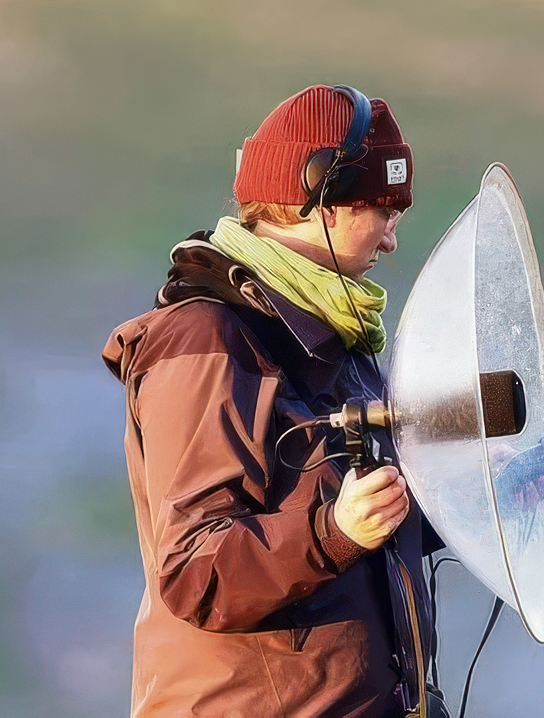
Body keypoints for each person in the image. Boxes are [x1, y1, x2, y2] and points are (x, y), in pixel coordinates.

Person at [102, 85, 443, 717]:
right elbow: (196, 570)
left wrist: (481, 488)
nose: (392, 241)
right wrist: (335, 532)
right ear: (322, 201)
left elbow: (358, 533)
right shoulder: (204, 337)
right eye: (386, 211)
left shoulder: (332, 338)